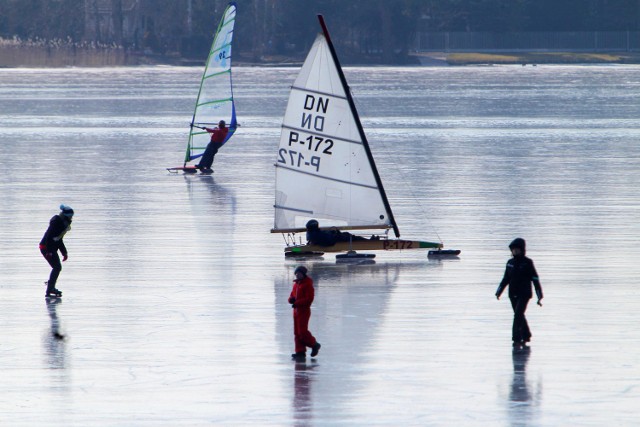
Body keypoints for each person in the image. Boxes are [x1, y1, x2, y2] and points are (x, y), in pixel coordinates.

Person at [495, 238, 543, 348]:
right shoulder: (510, 263)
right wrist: (499, 292)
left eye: (517, 249)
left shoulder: (527, 262)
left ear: (522, 250)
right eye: (513, 250)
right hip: (512, 293)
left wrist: (539, 296)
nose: (515, 252)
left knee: (517, 315)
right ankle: (526, 335)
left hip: (524, 293)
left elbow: (535, 279)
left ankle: (516, 339)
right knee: (519, 315)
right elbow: (505, 279)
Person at [39, 204, 74, 297]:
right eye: (70, 216)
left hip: (49, 248)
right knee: (57, 267)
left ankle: (50, 285)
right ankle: (50, 288)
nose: (71, 218)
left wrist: (64, 252)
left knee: (57, 267)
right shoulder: (57, 223)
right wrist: (49, 251)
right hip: (46, 247)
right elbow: (49, 237)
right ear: (66, 216)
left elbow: (59, 239)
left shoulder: (63, 223)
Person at [288, 266, 321, 360]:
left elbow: (309, 299)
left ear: (303, 274)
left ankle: (314, 344)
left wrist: (297, 303)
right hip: (296, 311)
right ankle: (300, 351)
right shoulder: (296, 285)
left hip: (304, 311)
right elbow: (291, 296)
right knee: (297, 332)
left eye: (299, 273)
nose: (298, 275)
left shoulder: (307, 284)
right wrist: (291, 300)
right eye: (297, 273)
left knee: (302, 332)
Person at [305, 219, 369, 247]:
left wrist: (332, 232)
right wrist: (335, 234)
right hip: (334, 240)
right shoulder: (314, 234)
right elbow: (328, 240)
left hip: (332, 239)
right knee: (351, 237)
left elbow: (323, 235)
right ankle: (370, 241)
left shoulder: (311, 233)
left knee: (349, 236)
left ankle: (370, 240)